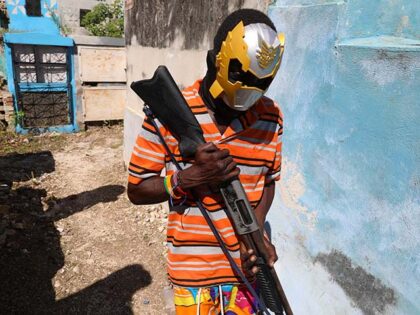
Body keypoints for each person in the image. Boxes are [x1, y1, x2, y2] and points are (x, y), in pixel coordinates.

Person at [127, 8, 285, 315]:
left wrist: (255, 234)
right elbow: (137, 190)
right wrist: (189, 177)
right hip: (193, 275)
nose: (250, 94)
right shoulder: (169, 113)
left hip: (246, 275)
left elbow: (268, 180)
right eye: (241, 79)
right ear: (215, 62)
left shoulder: (271, 116)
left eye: (260, 83)